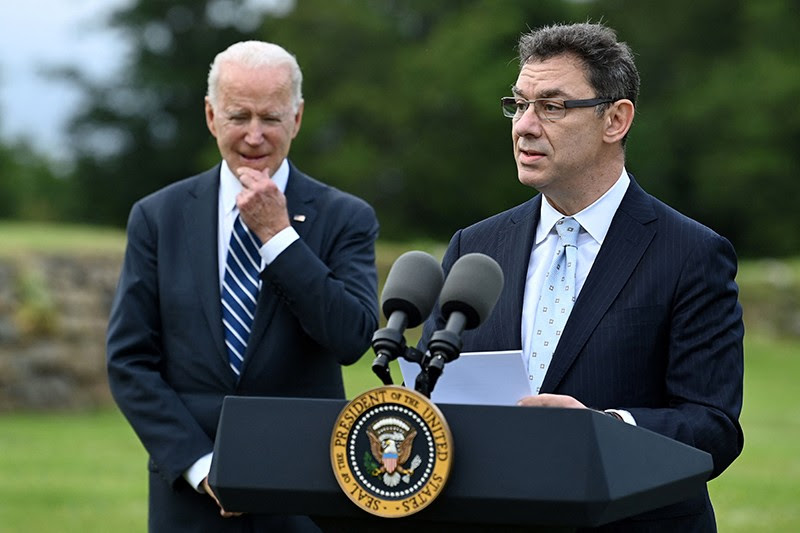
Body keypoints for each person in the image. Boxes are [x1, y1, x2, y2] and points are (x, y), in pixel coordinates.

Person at [419, 22, 743, 532]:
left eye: (551, 107)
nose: (524, 126)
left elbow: (714, 427)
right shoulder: (474, 248)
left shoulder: (692, 253)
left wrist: (604, 429)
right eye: (518, 104)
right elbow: (432, 392)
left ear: (615, 119)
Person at [107, 41, 379, 532]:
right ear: (211, 116)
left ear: (296, 118)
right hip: (189, 500)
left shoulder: (346, 217)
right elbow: (129, 360)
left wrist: (280, 238)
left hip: (307, 493)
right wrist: (200, 466)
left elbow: (352, 339)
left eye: (271, 118)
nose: (254, 136)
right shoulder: (158, 217)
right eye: (239, 116)